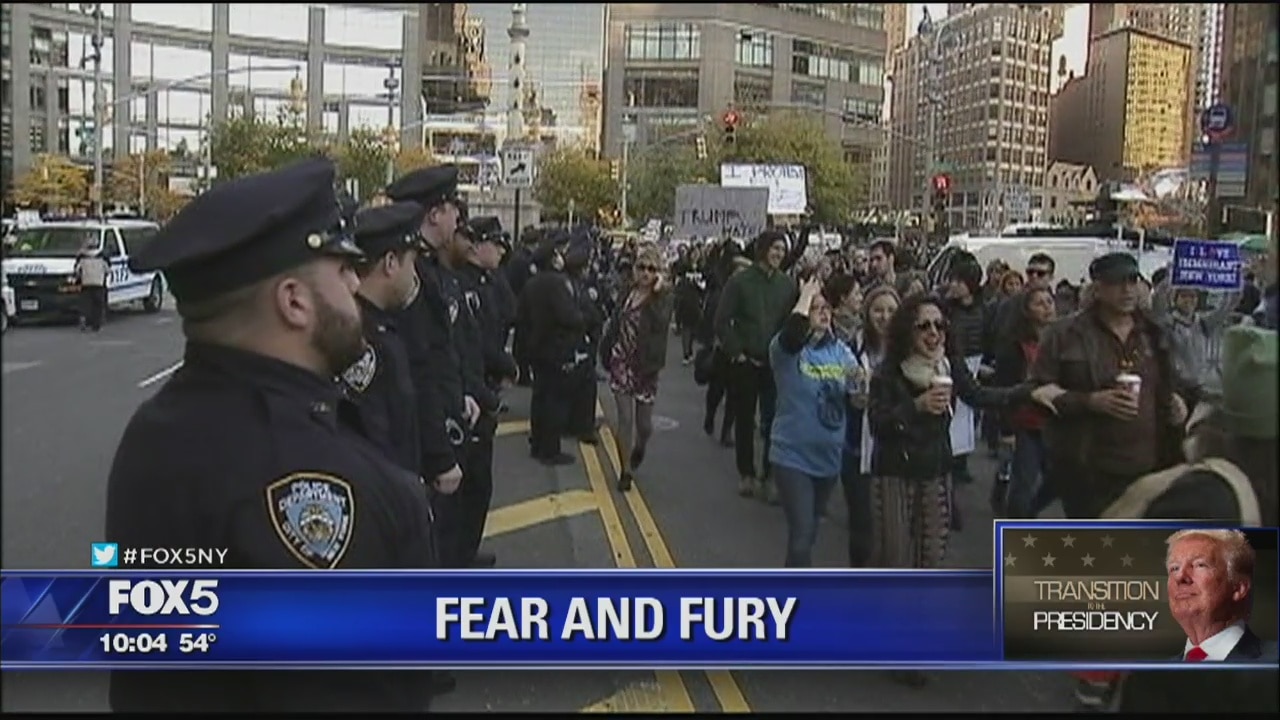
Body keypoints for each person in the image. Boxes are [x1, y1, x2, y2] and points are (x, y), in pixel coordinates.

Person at [104, 157, 448, 712]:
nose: (355, 282)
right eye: (341, 270)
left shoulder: (151, 433)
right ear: (294, 302)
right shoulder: (332, 485)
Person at [1029, 252, 1186, 519]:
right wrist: (1090, 401)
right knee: (1097, 553)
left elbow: (1170, 386)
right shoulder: (1065, 334)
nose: (1127, 289)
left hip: (1148, 470)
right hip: (1088, 472)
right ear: (1098, 288)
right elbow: (1036, 391)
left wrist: (1177, 405)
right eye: (1117, 282)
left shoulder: (1155, 334)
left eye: (1132, 280)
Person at [769, 277, 857, 567]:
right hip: (792, 456)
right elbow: (792, 336)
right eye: (814, 308)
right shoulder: (785, 351)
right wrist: (805, 295)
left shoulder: (841, 352)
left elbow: (858, 391)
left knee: (808, 533)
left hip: (829, 459)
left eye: (826, 308)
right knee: (802, 535)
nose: (822, 312)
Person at [714, 229, 799, 502]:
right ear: (762, 249)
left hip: (775, 363)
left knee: (774, 421)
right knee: (744, 419)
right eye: (774, 249)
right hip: (746, 362)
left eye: (782, 251)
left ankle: (770, 474)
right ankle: (746, 474)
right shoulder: (740, 282)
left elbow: (793, 321)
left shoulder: (787, 285)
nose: (778, 255)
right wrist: (736, 351)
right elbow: (722, 320)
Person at [340, 200, 424, 475]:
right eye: (412, 262)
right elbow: (374, 442)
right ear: (390, 263)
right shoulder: (360, 339)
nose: (414, 274)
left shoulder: (382, 326)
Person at [601, 244, 672, 491]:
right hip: (621, 360)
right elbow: (614, 320)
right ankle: (625, 471)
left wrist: (657, 291)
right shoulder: (626, 292)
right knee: (625, 419)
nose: (645, 273)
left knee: (644, 425)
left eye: (652, 269)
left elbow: (662, 323)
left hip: (646, 366)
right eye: (641, 267)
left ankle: (640, 447)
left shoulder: (662, 298)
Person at [840, 285, 898, 567]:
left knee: (891, 528)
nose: (884, 316)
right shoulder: (852, 347)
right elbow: (837, 389)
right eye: (878, 310)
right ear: (867, 313)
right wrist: (851, 399)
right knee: (862, 526)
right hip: (857, 448)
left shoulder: (909, 349)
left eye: (891, 310)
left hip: (896, 450)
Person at [990, 285, 1057, 518]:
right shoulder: (1014, 346)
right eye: (1040, 303)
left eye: (1050, 301)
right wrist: (1006, 429)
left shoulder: (1061, 341)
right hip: (1026, 423)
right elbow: (1004, 388)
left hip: (1055, 424)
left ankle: (1027, 512)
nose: (1047, 308)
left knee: (1059, 481)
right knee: (1023, 486)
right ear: (1026, 310)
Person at [519, 234, 586, 466]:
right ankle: (550, 449)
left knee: (540, 397)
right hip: (556, 348)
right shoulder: (557, 283)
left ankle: (538, 443)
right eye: (557, 254)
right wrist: (581, 317)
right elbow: (569, 316)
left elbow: (523, 316)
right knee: (555, 401)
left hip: (536, 348)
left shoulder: (532, 282)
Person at [73, 238, 109, 332]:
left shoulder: (82, 256)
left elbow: (77, 270)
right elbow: (107, 269)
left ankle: (83, 319)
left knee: (85, 304)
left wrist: (78, 278)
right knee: (98, 304)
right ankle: (96, 325)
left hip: (86, 282)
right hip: (99, 283)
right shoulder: (102, 256)